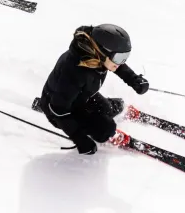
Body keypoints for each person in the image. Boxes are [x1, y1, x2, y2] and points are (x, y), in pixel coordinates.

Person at [39, 24, 149, 155]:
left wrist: (134, 80)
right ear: (102, 52)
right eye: (119, 58)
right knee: (106, 129)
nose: (120, 62)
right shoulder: (75, 71)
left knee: (107, 109)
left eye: (125, 56)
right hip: (61, 110)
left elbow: (117, 65)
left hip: (82, 97)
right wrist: (80, 139)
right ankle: (107, 134)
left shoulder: (96, 56)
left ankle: (108, 110)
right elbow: (58, 109)